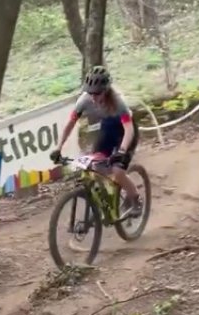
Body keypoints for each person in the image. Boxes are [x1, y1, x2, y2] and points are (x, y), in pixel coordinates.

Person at [50, 65, 142, 216]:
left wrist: (122, 151)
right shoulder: (84, 100)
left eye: (98, 93)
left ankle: (135, 198)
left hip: (125, 131)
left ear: (106, 90)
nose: (93, 97)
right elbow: (70, 124)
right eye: (90, 92)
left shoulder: (117, 101)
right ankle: (110, 199)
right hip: (107, 129)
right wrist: (58, 148)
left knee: (118, 171)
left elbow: (129, 129)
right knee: (96, 167)